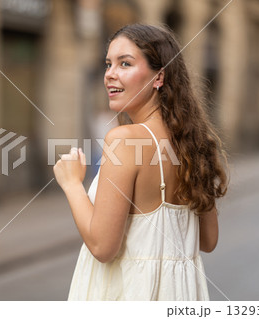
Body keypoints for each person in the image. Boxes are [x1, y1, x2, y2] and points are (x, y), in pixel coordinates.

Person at [53, 24, 228, 301]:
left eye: (125, 63)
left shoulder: (124, 140)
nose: (110, 74)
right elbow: (207, 241)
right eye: (108, 64)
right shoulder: (194, 144)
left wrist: (72, 183)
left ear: (159, 77)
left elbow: (102, 246)